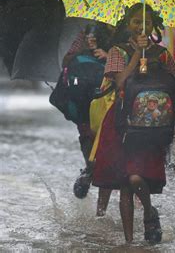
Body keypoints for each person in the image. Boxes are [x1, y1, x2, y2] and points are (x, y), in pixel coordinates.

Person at [90, 3, 175, 244]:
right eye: (136, 21)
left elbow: (170, 89)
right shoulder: (117, 51)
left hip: (152, 125)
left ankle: (148, 211)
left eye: (146, 22)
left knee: (136, 178)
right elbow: (120, 82)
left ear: (153, 25)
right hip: (121, 124)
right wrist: (137, 54)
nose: (141, 26)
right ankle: (129, 243)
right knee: (124, 182)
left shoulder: (162, 53)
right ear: (128, 24)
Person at [61, 22, 114, 216]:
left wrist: (109, 58)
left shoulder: (125, 39)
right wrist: (82, 50)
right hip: (84, 104)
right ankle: (89, 172)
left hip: (110, 103)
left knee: (106, 157)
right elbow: (66, 62)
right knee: (92, 151)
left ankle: (100, 210)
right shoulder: (84, 33)